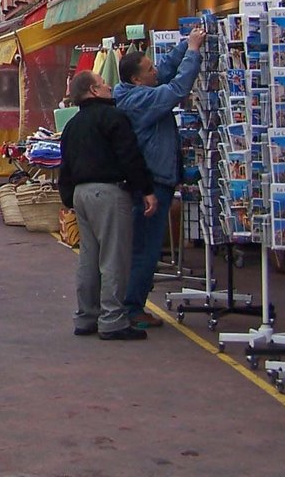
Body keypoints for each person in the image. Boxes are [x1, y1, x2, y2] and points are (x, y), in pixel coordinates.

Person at [113, 26, 206, 328]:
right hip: (152, 182)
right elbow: (176, 89)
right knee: (146, 247)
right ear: (137, 80)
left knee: (144, 245)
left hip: (158, 178)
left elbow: (164, 73)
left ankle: (131, 303)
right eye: (149, 69)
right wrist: (192, 52)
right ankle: (133, 307)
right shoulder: (138, 102)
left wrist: (184, 44)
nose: (156, 70)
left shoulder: (137, 90)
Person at [58, 71, 157, 341]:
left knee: (88, 258)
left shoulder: (72, 124)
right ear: (93, 90)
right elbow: (129, 156)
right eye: (103, 84)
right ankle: (113, 318)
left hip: (81, 194)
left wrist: (68, 197)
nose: (109, 86)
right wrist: (146, 189)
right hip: (109, 191)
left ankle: (86, 315)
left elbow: (64, 164)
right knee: (114, 257)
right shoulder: (114, 118)